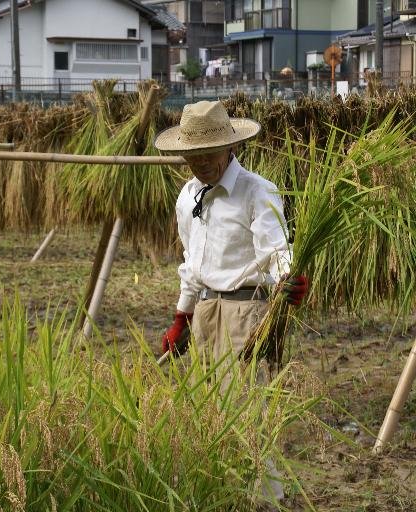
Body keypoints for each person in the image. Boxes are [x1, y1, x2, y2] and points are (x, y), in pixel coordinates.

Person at [154, 100, 308, 505]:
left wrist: (288, 282)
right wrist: (180, 318)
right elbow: (191, 264)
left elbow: (276, 250)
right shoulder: (189, 197)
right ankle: (221, 495)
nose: (200, 163)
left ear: (229, 148)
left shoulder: (257, 191)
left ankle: (265, 501)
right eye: (192, 155)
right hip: (206, 312)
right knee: (208, 414)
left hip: (246, 313)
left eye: (208, 154)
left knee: (249, 415)